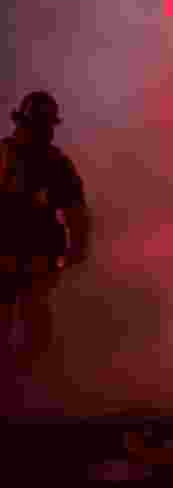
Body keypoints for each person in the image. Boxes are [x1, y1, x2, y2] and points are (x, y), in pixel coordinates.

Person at [1, 91, 91, 371]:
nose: (46, 132)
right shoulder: (5, 157)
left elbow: (76, 210)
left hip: (37, 256)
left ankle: (32, 379)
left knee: (35, 317)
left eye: (48, 126)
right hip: (6, 255)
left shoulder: (55, 164)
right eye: (41, 125)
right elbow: (76, 212)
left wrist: (77, 246)